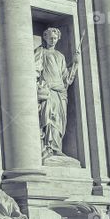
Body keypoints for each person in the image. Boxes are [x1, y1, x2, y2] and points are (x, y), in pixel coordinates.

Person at [35, 27, 78, 158]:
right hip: (48, 90)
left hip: (60, 91)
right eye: (50, 37)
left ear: (58, 39)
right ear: (45, 37)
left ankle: (57, 147)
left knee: (59, 120)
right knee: (49, 118)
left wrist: (75, 63)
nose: (52, 40)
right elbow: (35, 69)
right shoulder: (41, 51)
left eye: (55, 38)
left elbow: (66, 78)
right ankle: (48, 147)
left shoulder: (60, 56)